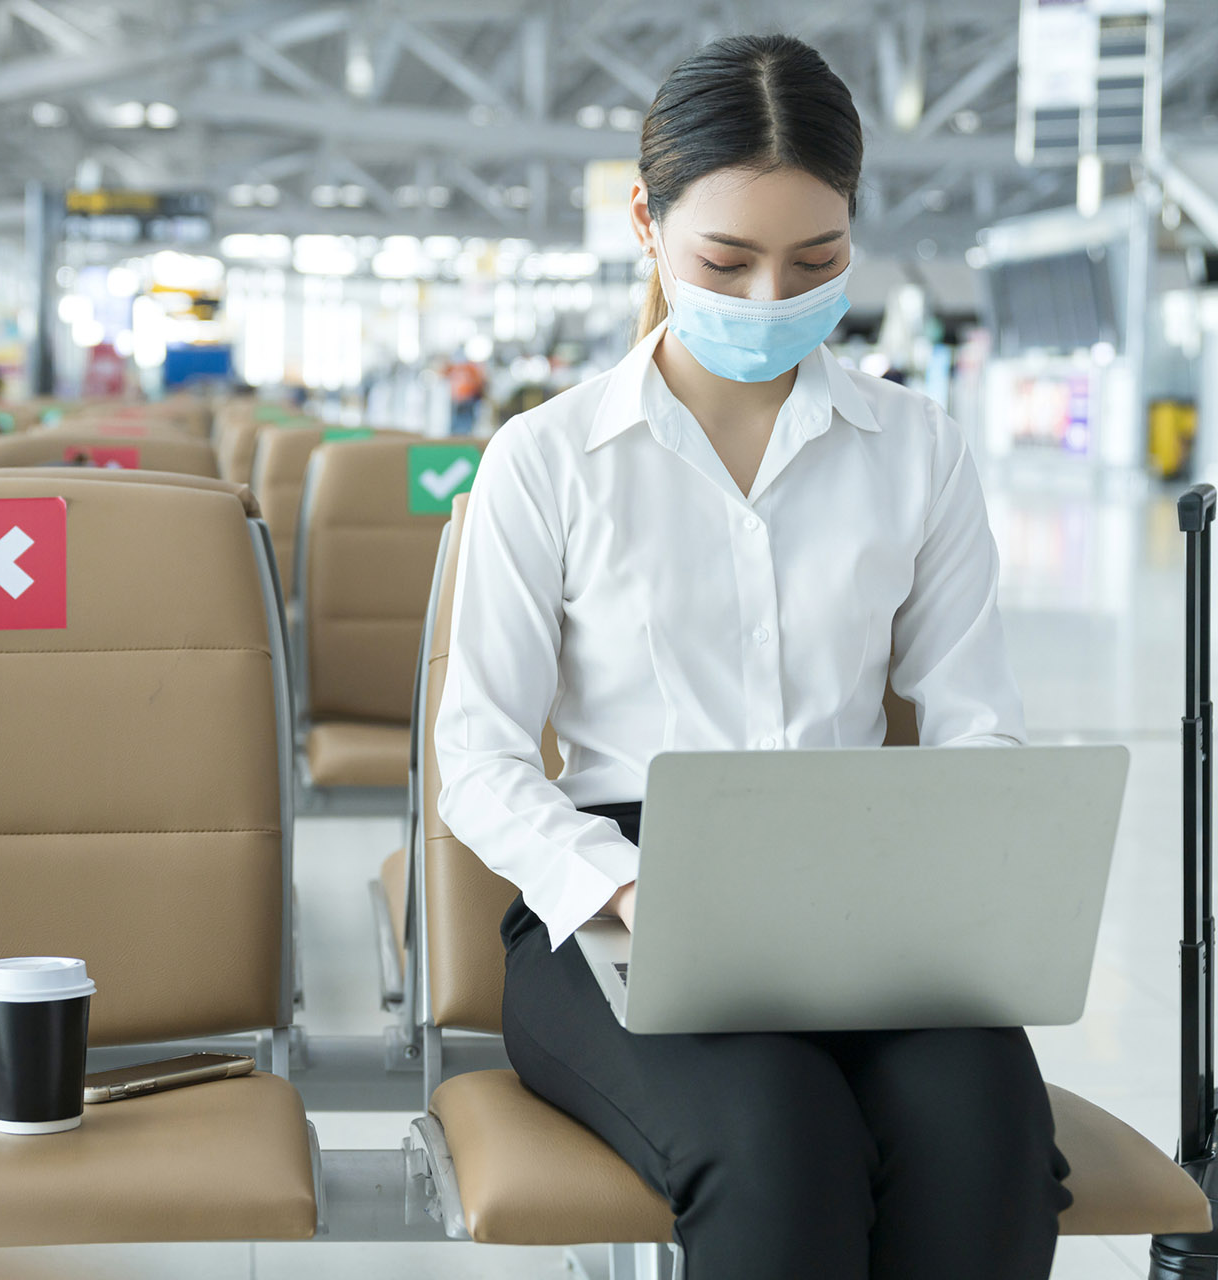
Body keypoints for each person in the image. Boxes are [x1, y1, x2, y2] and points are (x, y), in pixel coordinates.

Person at [433, 35, 1064, 1280]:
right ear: (645, 221)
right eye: (726, 260)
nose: (771, 296)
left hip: (863, 897)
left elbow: (976, 721)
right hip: (617, 895)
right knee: (779, 1147)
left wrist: (981, 873)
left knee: (985, 1143)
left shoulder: (916, 449)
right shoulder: (547, 460)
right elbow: (480, 758)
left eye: (816, 260)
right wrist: (624, 887)